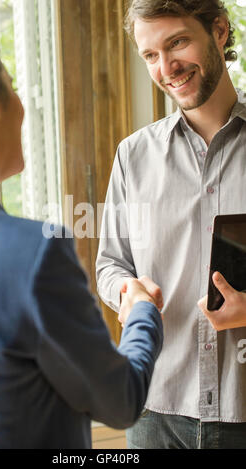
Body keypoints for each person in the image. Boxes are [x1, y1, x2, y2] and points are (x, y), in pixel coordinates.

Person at [0, 21, 164, 449]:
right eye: (10, 87)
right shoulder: (32, 253)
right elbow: (120, 401)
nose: (22, 107)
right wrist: (141, 311)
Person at [96, 0, 246, 450]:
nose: (167, 68)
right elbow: (110, 265)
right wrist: (127, 292)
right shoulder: (132, 156)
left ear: (219, 31)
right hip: (153, 417)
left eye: (177, 42)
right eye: (150, 55)